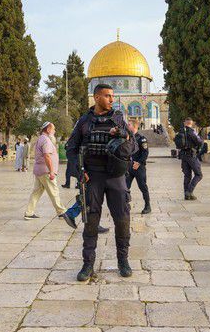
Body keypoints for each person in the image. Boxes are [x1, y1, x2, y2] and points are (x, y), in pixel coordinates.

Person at [66, 83, 136, 281]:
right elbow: (71, 148)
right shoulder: (84, 122)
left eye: (113, 96)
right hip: (93, 177)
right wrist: (80, 171)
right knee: (91, 221)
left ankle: (123, 261)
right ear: (96, 97)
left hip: (116, 176)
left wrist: (123, 136)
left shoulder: (119, 119)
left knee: (122, 219)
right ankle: (88, 264)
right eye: (107, 96)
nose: (112, 100)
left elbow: (134, 146)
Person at [25, 122, 73, 223]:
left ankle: (29, 212)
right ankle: (61, 212)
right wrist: (51, 171)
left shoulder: (41, 139)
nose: (54, 131)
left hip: (39, 170)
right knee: (54, 191)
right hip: (46, 171)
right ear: (48, 130)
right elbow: (47, 155)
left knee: (36, 192)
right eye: (53, 129)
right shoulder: (46, 140)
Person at [126, 119, 151, 214]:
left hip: (139, 167)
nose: (127, 126)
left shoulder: (141, 139)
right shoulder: (127, 138)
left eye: (129, 125)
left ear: (134, 126)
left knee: (142, 186)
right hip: (129, 166)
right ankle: (126, 205)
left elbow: (145, 153)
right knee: (125, 187)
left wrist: (139, 163)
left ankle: (147, 206)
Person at [177, 118, 204, 200]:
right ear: (191, 123)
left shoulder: (181, 132)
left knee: (187, 175)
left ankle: (186, 194)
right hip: (191, 155)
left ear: (185, 123)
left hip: (183, 156)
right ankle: (189, 191)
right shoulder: (192, 132)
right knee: (199, 174)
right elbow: (200, 142)